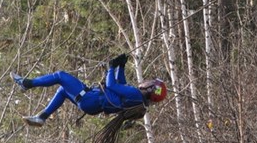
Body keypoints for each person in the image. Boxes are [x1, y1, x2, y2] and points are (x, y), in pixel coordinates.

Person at [12, 53, 167, 127]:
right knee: (63, 90)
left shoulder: (136, 95)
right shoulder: (139, 101)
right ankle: (42, 116)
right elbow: (121, 85)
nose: (147, 81)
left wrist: (110, 68)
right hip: (92, 104)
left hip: (91, 99)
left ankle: (27, 83)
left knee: (60, 76)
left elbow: (112, 86)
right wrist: (121, 66)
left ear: (150, 88)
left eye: (150, 82)